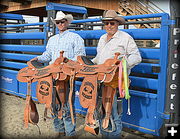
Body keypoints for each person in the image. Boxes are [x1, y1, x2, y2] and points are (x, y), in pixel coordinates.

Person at [32, 11, 86, 137]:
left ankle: (70, 132)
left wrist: (67, 62)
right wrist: (38, 59)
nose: (60, 24)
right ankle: (59, 129)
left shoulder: (75, 37)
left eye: (62, 21)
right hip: (52, 75)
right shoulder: (52, 39)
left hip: (66, 76)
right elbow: (47, 56)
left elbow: (80, 56)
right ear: (55, 24)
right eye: (58, 22)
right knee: (53, 103)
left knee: (66, 104)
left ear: (67, 22)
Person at [92, 10, 142, 138]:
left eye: (112, 23)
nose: (109, 26)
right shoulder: (102, 38)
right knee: (101, 109)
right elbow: (98, 58)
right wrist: (88, 65)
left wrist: (122, 65)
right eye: (106, 23)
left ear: (117, 24)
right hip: (101, 79)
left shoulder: (125, 38)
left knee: (114, 112)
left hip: (116, 81)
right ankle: (104, 135)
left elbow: (137, 57)